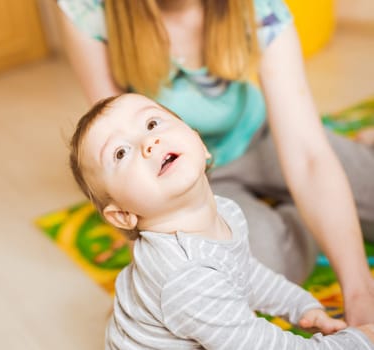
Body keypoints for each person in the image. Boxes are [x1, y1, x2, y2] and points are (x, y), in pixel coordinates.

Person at [57, 0, 374, 325]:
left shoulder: (259, 9)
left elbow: (307, 155)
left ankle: (339, 174)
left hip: (264, 133)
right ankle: (307, 209)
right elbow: (117, 154)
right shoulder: (86, 9)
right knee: (236, 273)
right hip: (191, 178)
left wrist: (360, 294)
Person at [68, 93, 374, 349]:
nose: (148, 143)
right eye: (121, 152)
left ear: (199, 143)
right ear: (123, 215)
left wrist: (299, 305)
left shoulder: (223, 209)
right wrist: (355, 341)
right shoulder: (185, 278)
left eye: (152, 123)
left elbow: (245, 271)